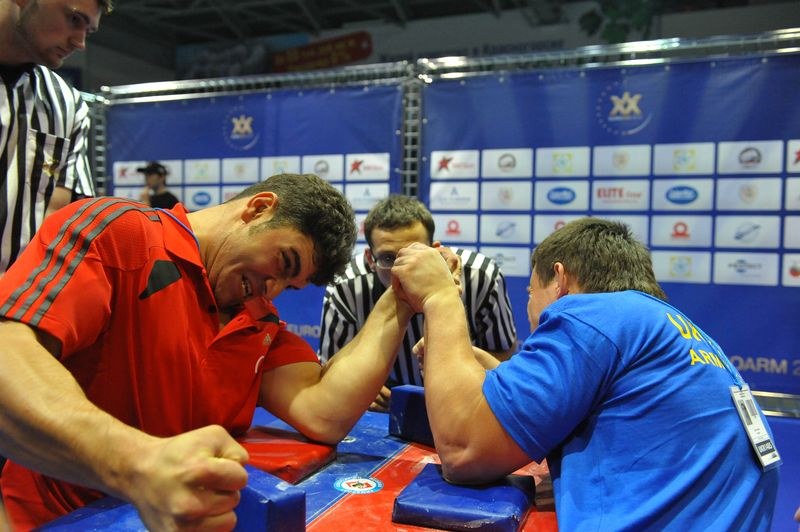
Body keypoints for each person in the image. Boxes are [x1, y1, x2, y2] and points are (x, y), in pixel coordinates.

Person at [0, 173, 430, 530]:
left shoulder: (258, 320)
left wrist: (400, 298)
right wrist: (137, 465)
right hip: (55, 519)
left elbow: (325, 412)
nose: (273, 289)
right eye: (284, 262)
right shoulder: (118, 232)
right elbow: (8, 351)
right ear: (259, 207)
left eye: (289, 286)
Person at [391, 217, 780, 530]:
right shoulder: (671, 329)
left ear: (560, 279)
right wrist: (474, 366)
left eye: (529, 291)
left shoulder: (592, 313)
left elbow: (465, 453)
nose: (530, 310)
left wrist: (439, 296)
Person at [319, 194, 516, 411]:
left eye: (412, 254)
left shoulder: (481, 276)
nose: (400, 270)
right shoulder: (346, 287)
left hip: (464, 402)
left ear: (436, 250)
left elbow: (503, 355)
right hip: (384, 411)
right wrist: (356, 386)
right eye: (387, 258)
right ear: (369, 258)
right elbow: (329, 369)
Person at [0, 0, 112, 274]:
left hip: (17, 304)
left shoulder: (68, 105)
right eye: (74, 19)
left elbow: (59, 217)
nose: (80, 42)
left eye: (89, 30)